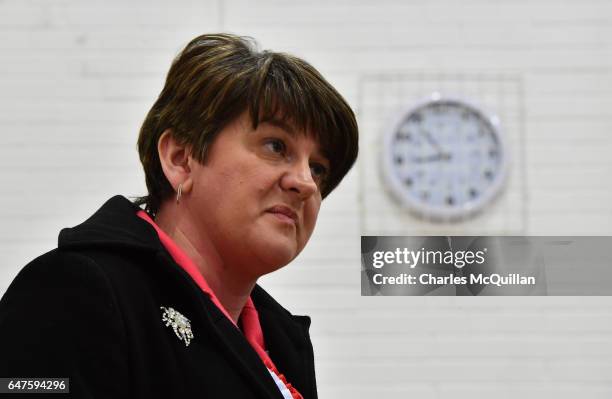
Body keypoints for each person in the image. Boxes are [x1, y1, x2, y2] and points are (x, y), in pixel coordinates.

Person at [0, 33, 358, 398]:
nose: (306, 183)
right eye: (275, 146)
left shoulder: (281, 339)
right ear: (180, 159)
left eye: (318, 168)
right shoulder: (74, 293)